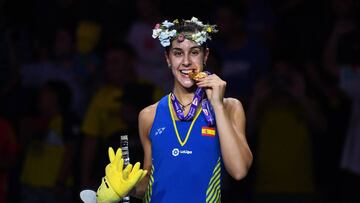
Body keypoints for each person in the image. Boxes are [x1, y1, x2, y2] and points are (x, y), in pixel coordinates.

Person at [95, 17, 253, 203]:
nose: (186, 62)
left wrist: (217, 105)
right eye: (178, 53)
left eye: (194, 52)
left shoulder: (230, 107)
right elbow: (150, 183)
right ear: (167, 58)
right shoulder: (148, 115)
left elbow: (239, 171)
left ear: (206, 56)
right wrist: (126, 188)